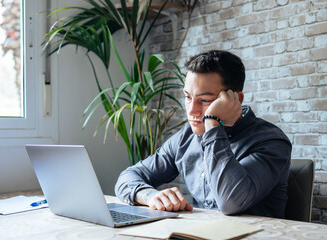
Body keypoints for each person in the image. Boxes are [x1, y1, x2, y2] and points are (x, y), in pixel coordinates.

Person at [114, 50, 292, 218]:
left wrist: (213, 123)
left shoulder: (271, 141)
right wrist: (149, 195)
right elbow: (128, 177)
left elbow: (231, 202)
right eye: (187, 97)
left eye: (205, 100)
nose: (192, 110)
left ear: (236, 99)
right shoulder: (186, 138)